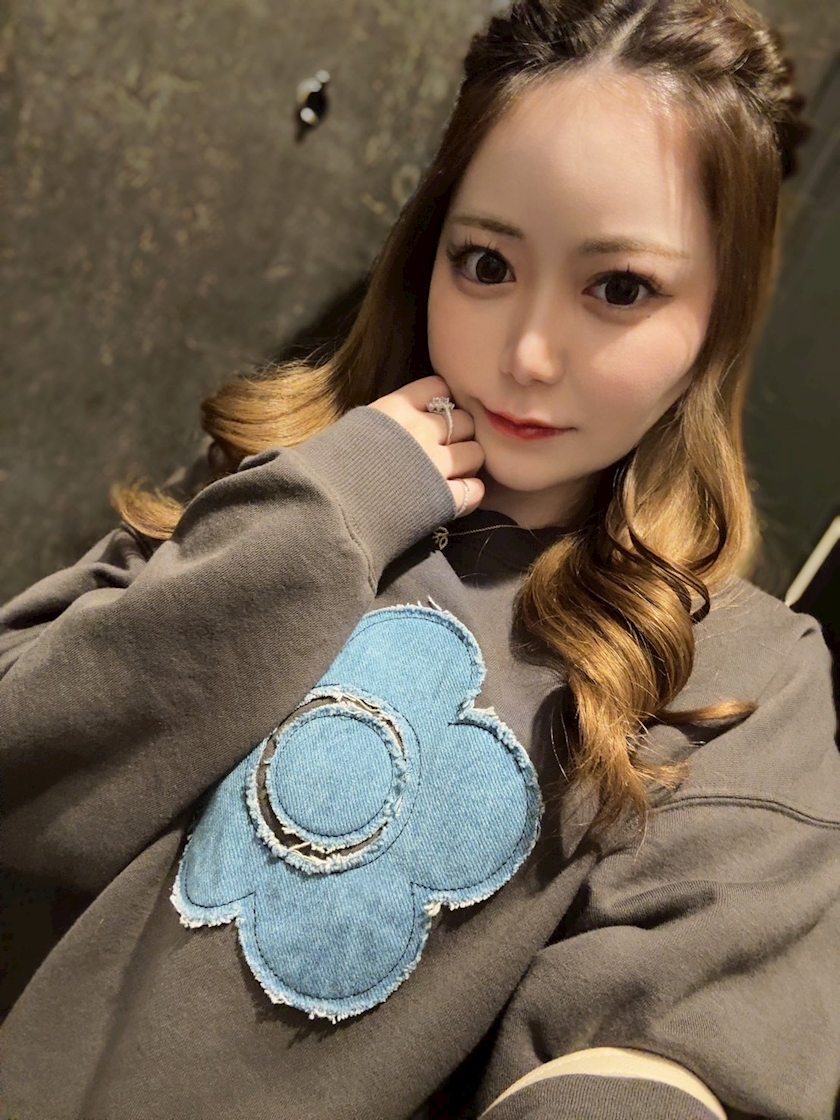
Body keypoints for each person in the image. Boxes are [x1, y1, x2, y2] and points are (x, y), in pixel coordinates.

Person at [1, 0, 838, 1116]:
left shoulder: (744, 674)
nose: (527, 353)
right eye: (486, 263)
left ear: (719, 312)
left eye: (620, 288)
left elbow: (669, 1055)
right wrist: (330, 512)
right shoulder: (291, 476)